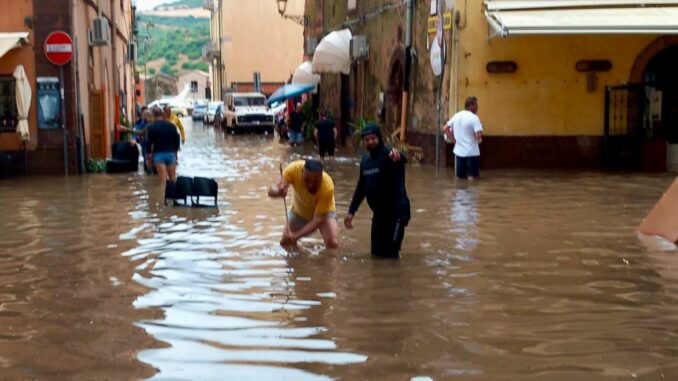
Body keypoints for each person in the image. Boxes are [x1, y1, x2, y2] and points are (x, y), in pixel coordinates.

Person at [344, 124, 410, 258]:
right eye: (367, 139)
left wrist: (400, 156)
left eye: (373, 138)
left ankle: (396, 278)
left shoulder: (390, 154)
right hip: (379, 215)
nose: (370, 142)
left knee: (391, 255)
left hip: (397, 213)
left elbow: (402, 158)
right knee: (376, 255)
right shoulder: (365, 162)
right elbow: (361, 188)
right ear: (364, 142)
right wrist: (351, 212)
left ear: (379, 138)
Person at [268, 159, 339, 249]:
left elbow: (317, 220)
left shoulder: (328, 186)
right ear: (302, 172)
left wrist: (295, 236)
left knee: (333, 243)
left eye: (316, 182)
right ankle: (297, 262)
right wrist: (278, 191)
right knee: (285, 243)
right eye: (307, 180)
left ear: (321, 176)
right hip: (299, 211)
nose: (310, 185)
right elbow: (271, 191)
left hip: (324, 212)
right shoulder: (293, 169)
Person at [441, 96, 483, 180]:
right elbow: (478, 136)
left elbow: (444, 128)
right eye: (476, 104)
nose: (477, 107)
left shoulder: (457, 115)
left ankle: (459, 193)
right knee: (472, 177)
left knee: (459, 178)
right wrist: (479, 137)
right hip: (472, 153)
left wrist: (454, 141)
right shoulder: (474, 118)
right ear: (471, 106)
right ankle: (470, 192)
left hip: (459, 152)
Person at [146, 106, 181, 183]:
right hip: (171, 154)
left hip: (158, 155)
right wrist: (175, 154)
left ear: (153, 116)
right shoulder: (172, 126)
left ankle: (163, 194)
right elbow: (177, 140)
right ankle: (173, 194)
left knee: (163, 180)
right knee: (173, 179)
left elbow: (149, 143)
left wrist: (149, 158)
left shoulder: (151, 127)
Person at [134, 108, 153, 174]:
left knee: (147, 157)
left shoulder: (150, 124)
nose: (143, 117)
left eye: (144, 116)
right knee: (146, 157)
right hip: (145, 143)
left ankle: (149, 170)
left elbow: (139, 131)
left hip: (148, 144)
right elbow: (137, 130)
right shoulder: (143, 123)